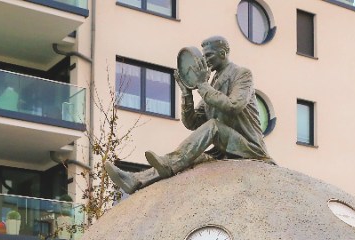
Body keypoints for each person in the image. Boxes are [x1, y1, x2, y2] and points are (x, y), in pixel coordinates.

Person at [104, 35, 273, 194]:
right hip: (223, 151)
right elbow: (192, 122)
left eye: (209, 56)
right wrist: (187, 94)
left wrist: (202, 84)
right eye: (203, 57)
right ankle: (136, 180)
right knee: (190, 157)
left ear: (223, 54)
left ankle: (166, 164)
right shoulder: (212, 83)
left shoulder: (242, 74)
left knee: (212, 126)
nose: (205, 61)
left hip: (249, 148)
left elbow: (234, 106)